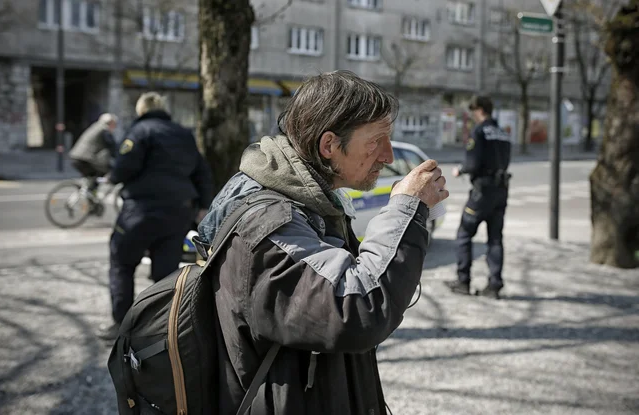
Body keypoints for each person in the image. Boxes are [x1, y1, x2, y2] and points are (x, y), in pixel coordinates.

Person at [196, 70, 449, 414]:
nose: (388, 156)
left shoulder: (309, 201)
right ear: (329, 145)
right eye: (376, 141)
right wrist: (407, 208)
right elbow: (357, 310)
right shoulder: (268, 224)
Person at [98, 92, 213, 340]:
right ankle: (162, 328)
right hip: (178, 212)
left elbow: (124, 166)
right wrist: (203, 205)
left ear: (141, 110)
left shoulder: (139, 131)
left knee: (122, 262)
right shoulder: (183, 134)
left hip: (140, 210)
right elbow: (202, 172)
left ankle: (122, 324)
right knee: (166, 273)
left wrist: (113, 176)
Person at [444, 95, 512, 299]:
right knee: (495, 239)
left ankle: (463, 281)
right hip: (501, 190)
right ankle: (494, 285)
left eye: (474, 111)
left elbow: (472, 164)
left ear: (480, 110)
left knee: (464, 234)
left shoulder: (480, 131)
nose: (473, 115)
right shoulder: (502, 133)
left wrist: (461, 170)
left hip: (482, 192)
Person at [68, 113, 118, 193]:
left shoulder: (96, 126)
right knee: (104, 171)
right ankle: (91, 194)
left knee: (94, 177)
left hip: (77, 156)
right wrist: (120, 157)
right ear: (110, 123)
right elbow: (112, 147)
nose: (115, 126)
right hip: (85, 159)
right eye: (114, 124)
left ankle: (91, 195)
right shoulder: (104, 131)